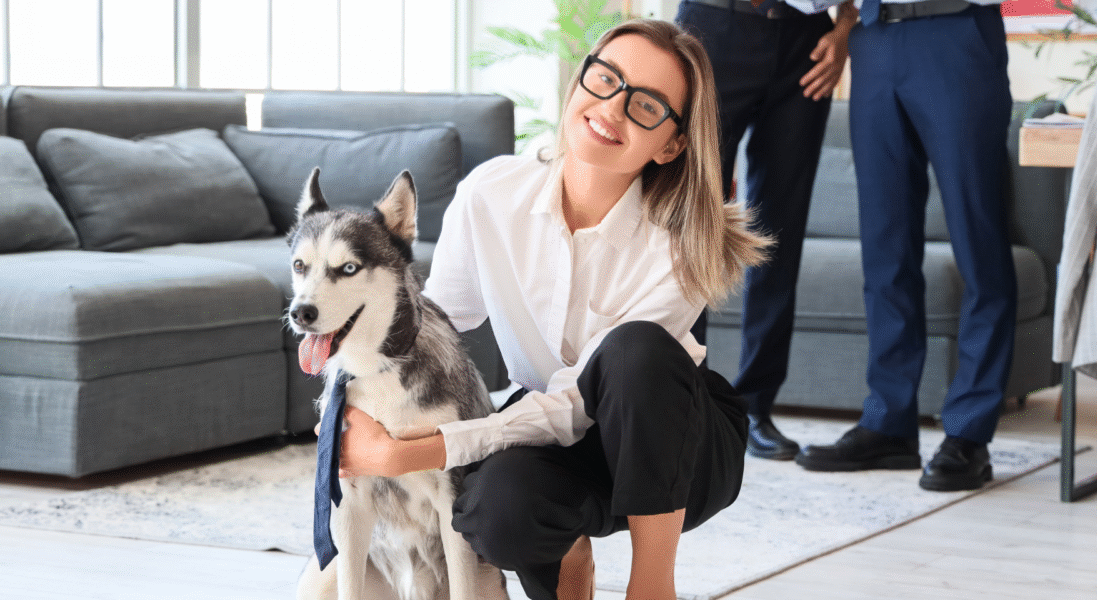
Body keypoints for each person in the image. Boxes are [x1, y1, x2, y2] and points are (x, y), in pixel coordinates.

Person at [327, 18, 772, 600]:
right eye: (605, 79)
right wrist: (348, 397)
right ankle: (569, 552)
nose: (612, 109)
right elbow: (430, 324)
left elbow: (577, 399)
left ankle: (652, 583)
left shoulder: (681, 244)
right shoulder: (490, 194)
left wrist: (416, 449)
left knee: (635, 351)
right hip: (555, 435)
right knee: (491, 513)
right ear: (578, 81)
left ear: (672, 143)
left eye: (646, 105)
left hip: (674, 440)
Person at [787, 0, 1017, 492]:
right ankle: (889, 422)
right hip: (874, 38)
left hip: (956, 32)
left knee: (979, 244)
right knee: (884, 247)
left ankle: (969, 433)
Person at [675, 0, 858, 461]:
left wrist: (846, 28)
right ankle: (685, 405)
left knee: (781, 228)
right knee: (692, 220)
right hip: (715, 28)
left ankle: (755, 407)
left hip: (805, 39)